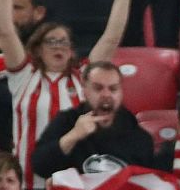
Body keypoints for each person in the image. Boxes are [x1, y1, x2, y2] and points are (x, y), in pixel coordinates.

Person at [0, 0, 135, 190]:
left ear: (72, 50)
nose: (58, 47)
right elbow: (5, 30)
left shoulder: (84, 77)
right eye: (51, 41)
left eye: (64, 42)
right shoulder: (24, 75)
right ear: (38, 48)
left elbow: (111, 37)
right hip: (29, 188)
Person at [28, 61, 157, 180]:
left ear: (121, 92)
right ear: (84, 91)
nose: (106, 95)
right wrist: (73, 136)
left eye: (113, 89)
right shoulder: (66, 121)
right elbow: (40, 167)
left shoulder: (139, 138)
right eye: (98, 88)